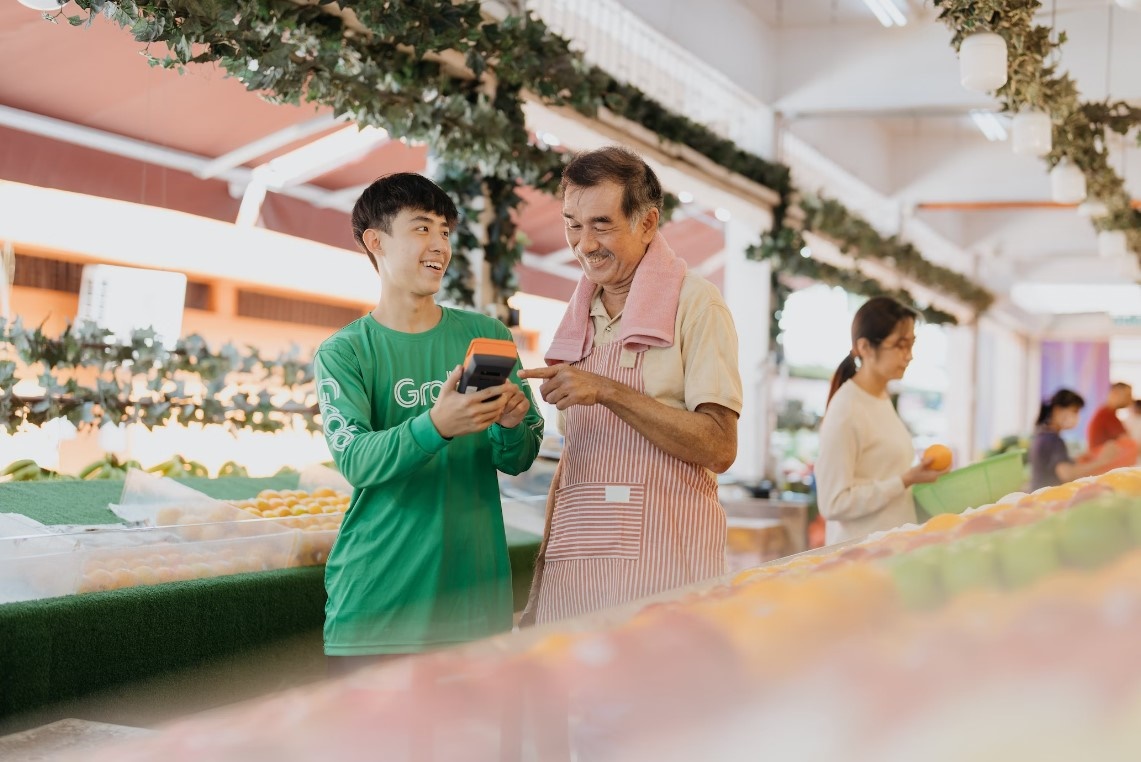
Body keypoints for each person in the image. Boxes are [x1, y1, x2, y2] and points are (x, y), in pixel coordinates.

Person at [313, 173, 544, 671]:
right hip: (377, 610)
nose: (440, 244)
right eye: (422, 228)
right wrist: (436, 424)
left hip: (475, 608)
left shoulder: (486, 334)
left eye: (445, 231)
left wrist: (510, 423)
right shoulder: (345, 352)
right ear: (376, 242)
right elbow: (356, 460)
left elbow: (521, 456)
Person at [518, 146, 742, 624]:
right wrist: (540, 586)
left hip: (666, 580)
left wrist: (608, 390)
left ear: (647, 223)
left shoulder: (697, 304)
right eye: (572, 224)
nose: (583, 244)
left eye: (601, 224)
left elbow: (720, 446)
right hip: (572, 583)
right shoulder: (578, 317)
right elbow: (574, 460)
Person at [813, 297, 947, 545]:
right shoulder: (846, 409)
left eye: (912, 345)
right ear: (865, 347)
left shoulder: (881, 398)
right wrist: (904, 480)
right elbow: (833, 503)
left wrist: (915, 479)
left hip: (891, 552)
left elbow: (883, 473)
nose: (909, 356)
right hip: (858, 560)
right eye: (900, 345)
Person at [1030, 389, 1119, 491]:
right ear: (1057, 410)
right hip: (1047, 499)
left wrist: (1080, 459)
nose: (1077, 417)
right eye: (1075, 411)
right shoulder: (1053, 439)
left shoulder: (1043, 434)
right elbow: (1067, 474)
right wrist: (1102, 461)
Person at [1087, 381, 1134, 450]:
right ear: (1115, 393)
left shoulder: (1106, 412)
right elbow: (1126, 440)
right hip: (1103, 457)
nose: (1130, 400)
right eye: (1128, 395)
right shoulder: (1107, 414)